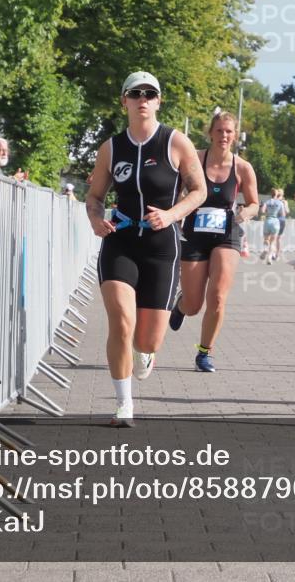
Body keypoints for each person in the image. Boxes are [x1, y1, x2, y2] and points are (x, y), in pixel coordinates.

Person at [85, 71, 207, 426]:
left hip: (161, 247)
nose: (143, 100)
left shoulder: (175, 142)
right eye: (135, 94)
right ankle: (124, 404)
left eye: (150, 94)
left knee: (148, 339)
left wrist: (171, 215)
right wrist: (95, 219)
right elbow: (94, 197)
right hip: (120, 241)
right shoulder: (111, 148)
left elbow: (198, 191)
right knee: (121, 322)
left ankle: (145, 353)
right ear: (124, 100)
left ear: (158, 101)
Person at [168, 112, 259, 373]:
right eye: (219, 131)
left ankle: (204, 353)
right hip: (195, 232)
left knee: (218, 297)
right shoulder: (194, 159)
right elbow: (175, 190)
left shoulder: (242, 167)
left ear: (235, 135)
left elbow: (254, 203)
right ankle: (182, 304)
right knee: (195, 305)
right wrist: (175, 214)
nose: (224, 136)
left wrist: (245, 214)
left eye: (229, 131)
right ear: (210, 133)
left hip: (227, 233)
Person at [259, 189, 286, 264]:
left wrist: (267, 211)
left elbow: (262, 211)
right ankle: (269, 258)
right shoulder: (280, 203)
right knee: (273, 242)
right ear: (277, 195)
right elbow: (283, 214)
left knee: (266, 239)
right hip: (275, 222)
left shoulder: (267, 202)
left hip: (268, 221)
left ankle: (265, 249)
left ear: (271, 194)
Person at [274, 188, 289, 261]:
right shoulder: (280, 201)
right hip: (279, 220)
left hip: (278, 220)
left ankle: (276, 254)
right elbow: (287, 211)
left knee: (276, 238)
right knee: (278, 238)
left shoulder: (281, 201)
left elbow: (287, 211)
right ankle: (276, 254)